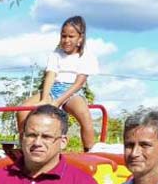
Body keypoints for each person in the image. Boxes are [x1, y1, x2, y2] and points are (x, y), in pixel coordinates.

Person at [17, 16, 98, 151]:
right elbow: (50, 75)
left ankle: (89, 150)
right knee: (23, 110)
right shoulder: (56, 54)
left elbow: (78, 83)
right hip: (53, 89)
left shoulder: (87, 57)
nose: (66, 40)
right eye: (63, 36)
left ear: (80, 38)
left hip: (72, 91)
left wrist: (58, 102)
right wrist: (44, 99)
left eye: (71, 36)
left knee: (85, 116)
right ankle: (24, 147)